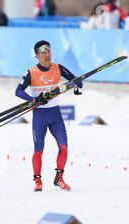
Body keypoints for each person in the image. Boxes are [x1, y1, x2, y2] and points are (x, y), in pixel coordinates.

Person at [15, 40, 83, 192]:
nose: (47, 54)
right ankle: (38, 180)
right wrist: (33, 99)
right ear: (37, 56)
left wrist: (78, 83)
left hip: (55, 115)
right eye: (43, 52)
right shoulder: (31, 72)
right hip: (39, 116)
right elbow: (18, 91)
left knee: (64, 147)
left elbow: (74, 80)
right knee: (39, 149)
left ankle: (59, 178)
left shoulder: (58, 68)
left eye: (49, 51)